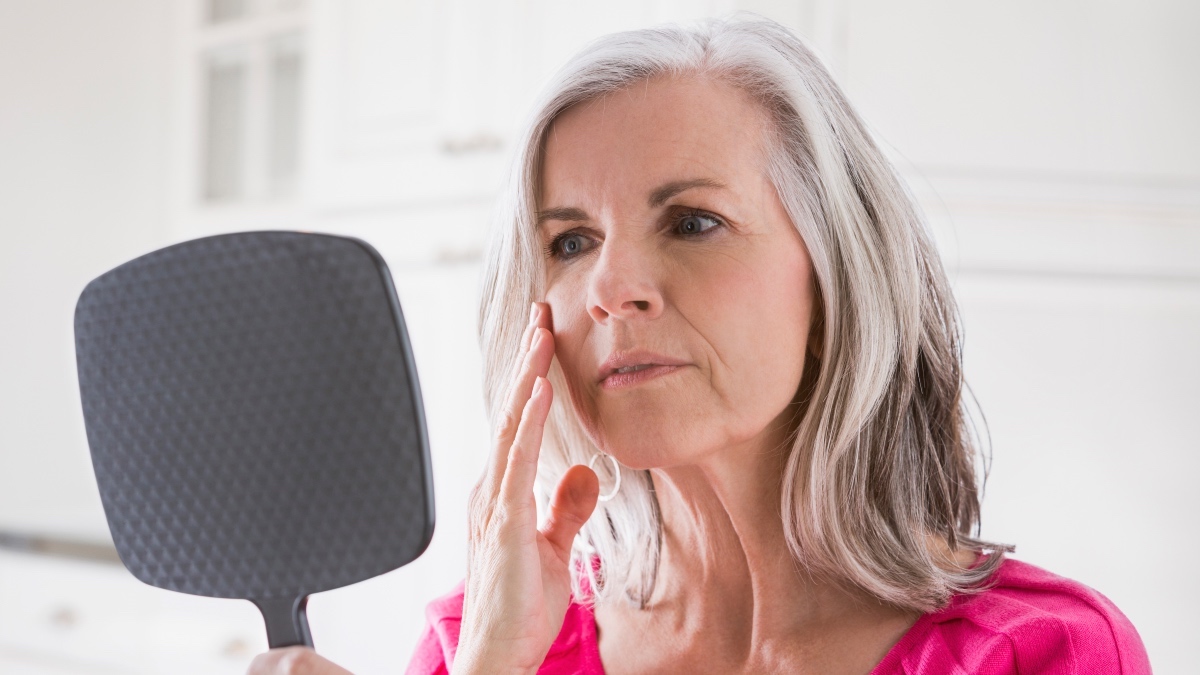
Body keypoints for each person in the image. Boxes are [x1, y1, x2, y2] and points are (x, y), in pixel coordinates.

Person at [249, 16, 1151, 675]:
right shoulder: (486, 643)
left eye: (693, 221)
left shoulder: (1039, 653)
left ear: (835, 272)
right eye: (569, 240)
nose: (609, 287)